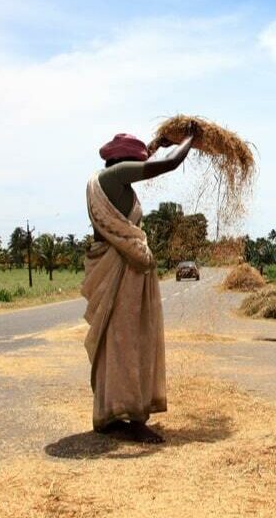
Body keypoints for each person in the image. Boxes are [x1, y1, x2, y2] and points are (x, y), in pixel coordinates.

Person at [81, 128, 195, 443]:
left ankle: (110, 413)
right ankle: (134, 419)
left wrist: (156, 144)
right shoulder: (116, 176)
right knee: (131, 343)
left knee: (115, 344)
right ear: (124, 161)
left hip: (114, 267)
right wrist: (191, 139)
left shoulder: (105, 180)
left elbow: (149, 161)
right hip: (123, 270)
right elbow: (169, 164)